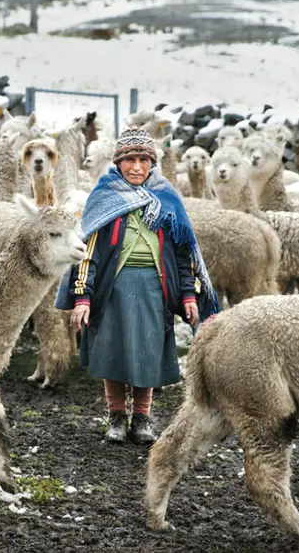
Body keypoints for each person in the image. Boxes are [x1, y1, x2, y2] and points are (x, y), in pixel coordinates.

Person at [55, 129, 220, 444]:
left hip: (154, 290)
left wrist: (188, 295)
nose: (136, 167)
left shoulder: (167, 198)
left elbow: (183, 254)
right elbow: (90, 252)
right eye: (129, 159)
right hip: (112, 289)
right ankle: (116, 416)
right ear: (118, 163)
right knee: (113, 354)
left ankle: (142, 418)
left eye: (143, 160)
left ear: (152, 164)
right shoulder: (104, 198)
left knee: (146, 354)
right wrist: (83, 298)